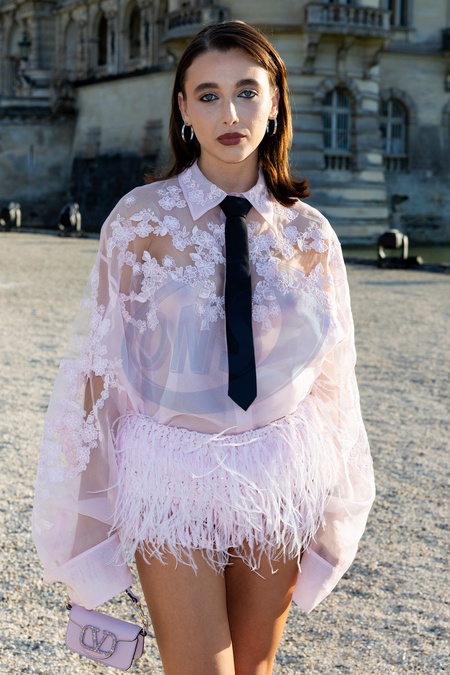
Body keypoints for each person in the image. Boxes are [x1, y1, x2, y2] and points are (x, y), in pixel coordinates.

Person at [32, 20, 375, 675]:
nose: (230, 114)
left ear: (275, 103)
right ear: (184, 109)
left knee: (252, 670)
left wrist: (336, 505)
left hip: (277, 476)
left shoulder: (311, 234)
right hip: (169, 476)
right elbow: (96, 370)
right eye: (209, 95)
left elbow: (335, 378)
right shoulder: (138, 219)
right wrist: (85, 525)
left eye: (247, 92)